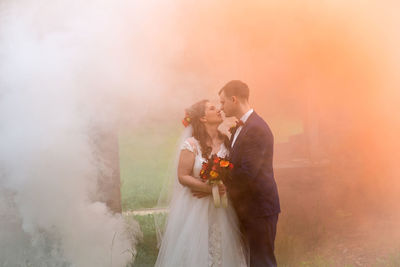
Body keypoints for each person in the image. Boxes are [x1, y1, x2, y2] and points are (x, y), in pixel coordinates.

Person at [154, 99, 248, 267]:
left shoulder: (227, 141)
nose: (219, 109)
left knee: (222, 249)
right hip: (196, 207)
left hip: (222, 208)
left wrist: (222, 187)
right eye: (212, 108)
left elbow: (233, 172)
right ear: (203, 118)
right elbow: (182, 176)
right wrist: (208, 189)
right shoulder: (191, 144)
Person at [219, 80, 281, 267]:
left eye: (222, 102)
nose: (221, 107)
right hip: (248, 207)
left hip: (259, 208)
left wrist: (220, 184)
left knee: (262, 261)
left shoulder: (256, 128)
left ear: (234, 99)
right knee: (251, 260)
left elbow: (247, 174)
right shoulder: (241, 127)